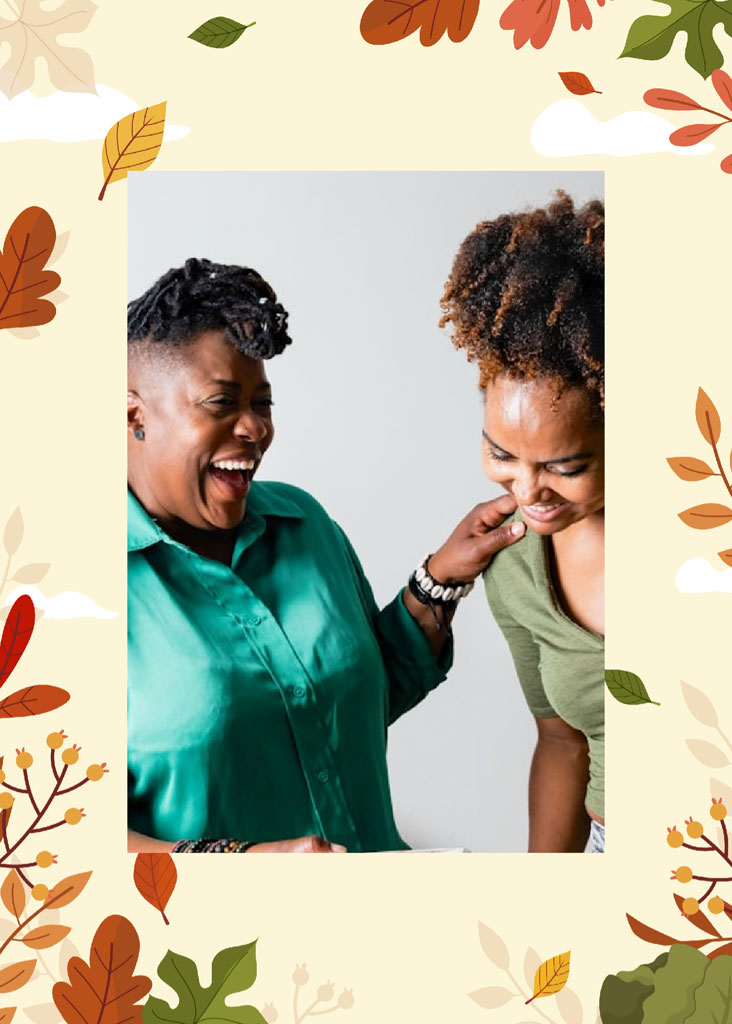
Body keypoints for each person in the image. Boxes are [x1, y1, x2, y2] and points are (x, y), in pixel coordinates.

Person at [127, 257, 526, 854]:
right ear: (135, 415)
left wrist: (438, 581)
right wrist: (241, 864)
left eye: (262, 405)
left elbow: (354, 702)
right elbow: (52, 841)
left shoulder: (304, 522)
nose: (254, 430)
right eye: (221, 403)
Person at [440, 192, 604, 853]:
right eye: (502, 454)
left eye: (566, 465)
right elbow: (562, 742)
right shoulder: (515, 565)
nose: (529, 489)